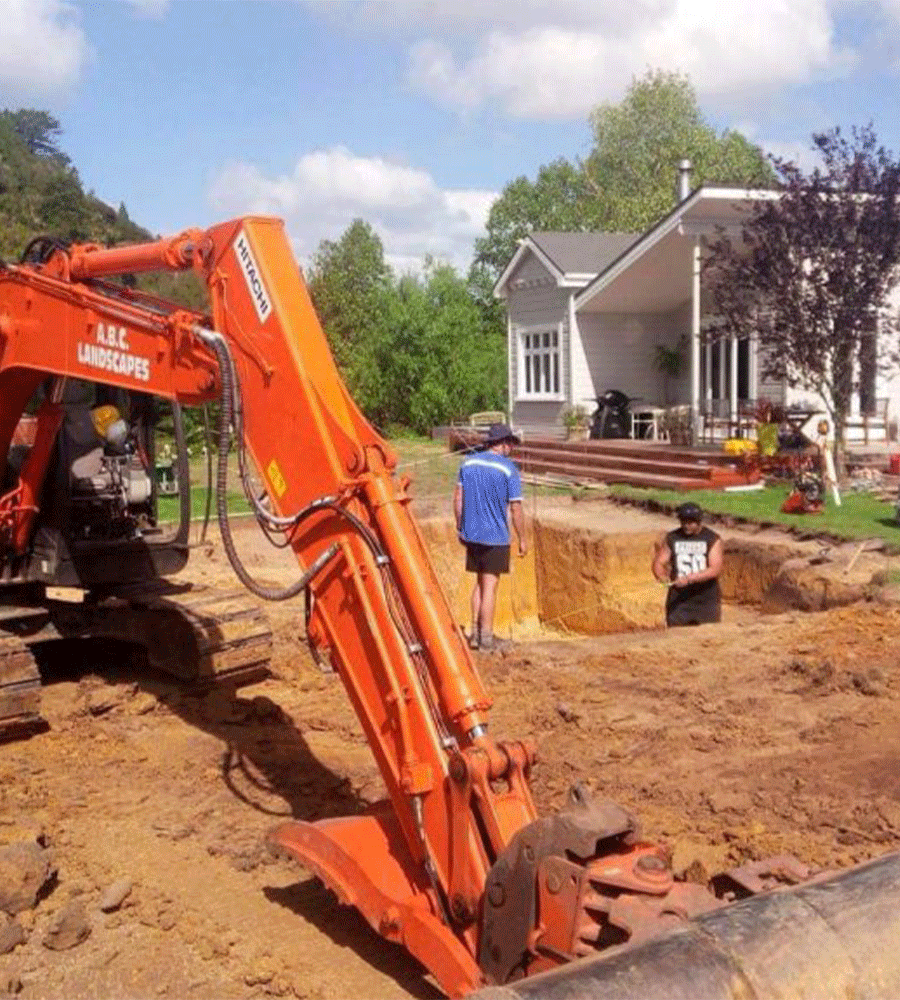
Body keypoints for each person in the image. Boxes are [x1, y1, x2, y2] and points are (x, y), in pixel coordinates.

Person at [454, 423, 527, 651]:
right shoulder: (508, 469)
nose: (511, 449)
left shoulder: (468, 463)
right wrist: (522, 538)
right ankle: (486, 639)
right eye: (511, 444)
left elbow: (458, 499)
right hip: (495, 537)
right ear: (503, 443)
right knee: (489, 588)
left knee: (479, 584)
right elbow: (516, 509)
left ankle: (475, 636)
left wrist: (460, 527)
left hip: (472, 535)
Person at [652, 502, 723, 626]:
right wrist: (662, 577)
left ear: (699, 521)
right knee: (676, 634)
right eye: (683, 522)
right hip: (679, 600)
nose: (686, 526)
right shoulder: (672, 538)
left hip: (706, 599)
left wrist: (690, 579)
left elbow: (715, 569)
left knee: (707, 634)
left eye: (690, 523)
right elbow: (659, 562)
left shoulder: (712, 539)